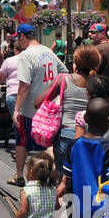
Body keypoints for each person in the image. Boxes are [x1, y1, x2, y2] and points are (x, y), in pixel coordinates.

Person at [12, 25, 68, 187]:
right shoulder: (48, 51)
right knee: (48, 142)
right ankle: (54, 172)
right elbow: (63, 72)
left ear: (22, 36)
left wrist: (17, 109)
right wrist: (51, 90)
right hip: (50, 107)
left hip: (31, 109)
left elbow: (24, 86)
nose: (17, 41)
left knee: (22, 141)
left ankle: (20, 175)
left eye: (17, 38)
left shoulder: (26, 55)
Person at [53, 45, 100, 180]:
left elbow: (39, 101)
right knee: (85, 180)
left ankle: (60, 201)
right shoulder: (98, 83)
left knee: (62, 180)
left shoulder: (64, 79)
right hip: (90, 135)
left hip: (66, 133)